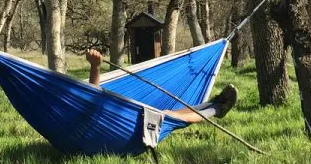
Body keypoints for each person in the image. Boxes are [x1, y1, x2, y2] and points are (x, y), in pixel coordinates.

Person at [85, 49, 237, 123]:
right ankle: (216, 109)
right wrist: (95, 67)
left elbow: (91, 100)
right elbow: (91, 104)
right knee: (169, 117)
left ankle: (212, 103)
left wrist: (95, 67)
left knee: (167, 112)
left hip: (122, 117)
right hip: (123, 128)